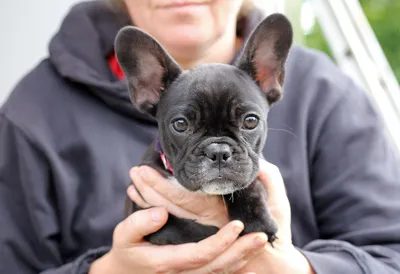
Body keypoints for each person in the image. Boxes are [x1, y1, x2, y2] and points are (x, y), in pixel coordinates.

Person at [0, 0, 400, 273]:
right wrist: (107, 270)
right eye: (182, 125)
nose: (220, 153)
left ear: (270, 81)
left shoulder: (326, 93)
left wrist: (296, 267)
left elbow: (391, 256)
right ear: (147, 90)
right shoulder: (33, 114)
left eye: (245, 123)